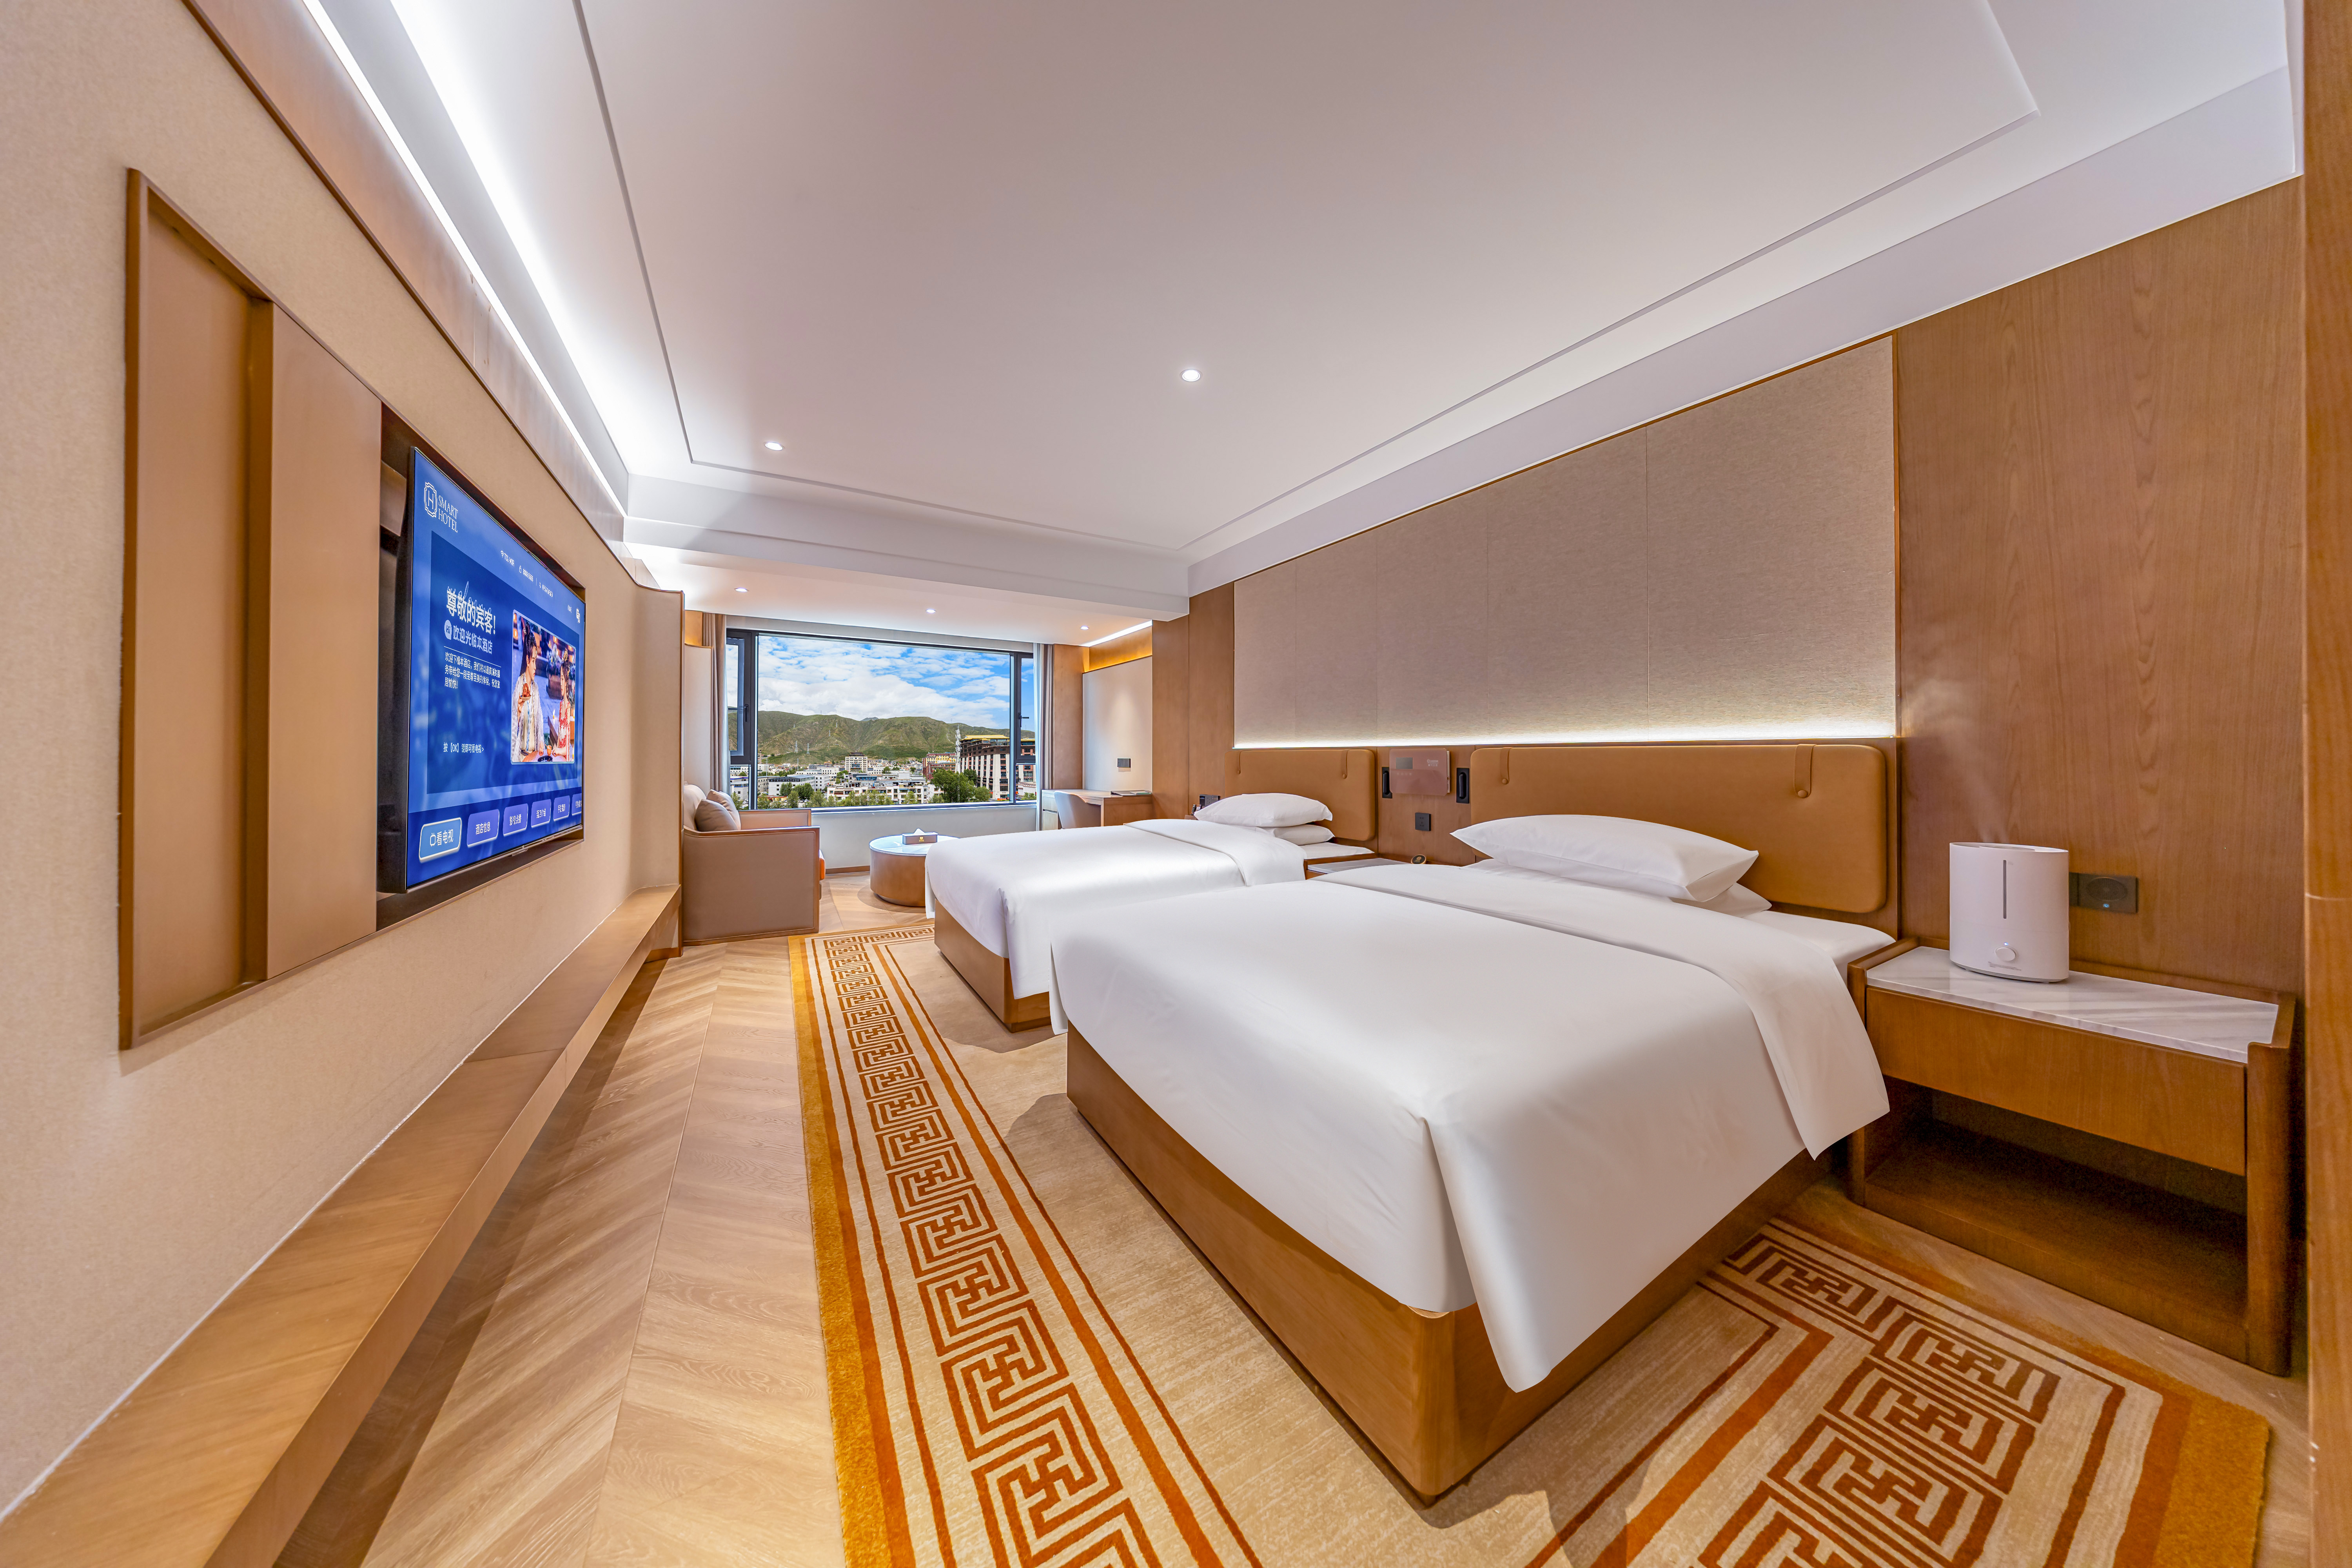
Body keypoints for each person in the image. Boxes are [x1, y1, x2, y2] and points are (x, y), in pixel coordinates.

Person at [512, 622, 543, 764]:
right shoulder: (520, 684)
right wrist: (518, 714)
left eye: (536, 661)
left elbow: (540, 718)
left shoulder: (536, 689)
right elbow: (512, 724)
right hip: (521, 758)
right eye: (533, 661)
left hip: (534, 757)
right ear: (527, 661)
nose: (536, 667)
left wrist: (541, 739)